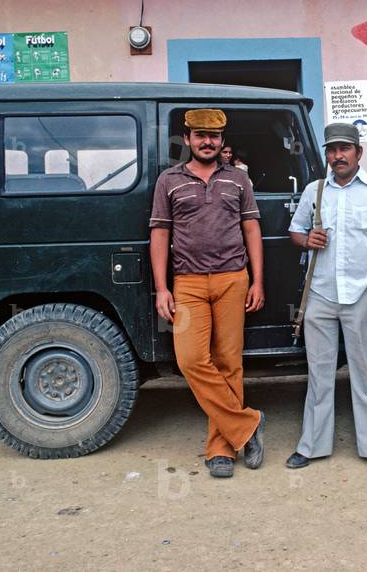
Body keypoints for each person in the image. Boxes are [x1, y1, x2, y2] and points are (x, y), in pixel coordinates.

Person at [286, 122, 367, 472]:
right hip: (320, 295)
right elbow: (295, 232)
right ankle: (311, 446)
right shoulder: (315, 191)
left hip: (360, 295)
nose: (337, 156)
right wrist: (307, 238)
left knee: (365, 372)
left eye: (344, 149)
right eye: (331, 150)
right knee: (319, 373)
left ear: (359, 152)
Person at [149, 108, 265, 479]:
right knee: (191, 360)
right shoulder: (169, 181)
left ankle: (221, 449)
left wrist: (257, 280)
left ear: (222, 141)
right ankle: (247, 425)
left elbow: (251, 230)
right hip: (188, 283)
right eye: (200, 135)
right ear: (187, 139)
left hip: (234, 278)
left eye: (213, 136)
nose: (207, 142)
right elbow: (160, 234)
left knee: (229, 362)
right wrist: (161, 288)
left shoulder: (238, 181)